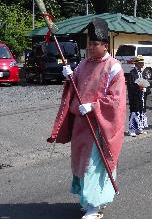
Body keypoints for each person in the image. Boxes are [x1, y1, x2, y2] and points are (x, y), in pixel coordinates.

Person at [48, 18, 126, 219]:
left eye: (95, 44)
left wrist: (93, 106)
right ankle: (88, 200)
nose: (90, 47)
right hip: (82, 124)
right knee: (82, 162)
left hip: (99, 125)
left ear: (105, 45)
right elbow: (76, 86)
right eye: (89, 44)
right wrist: (69, 77)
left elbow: (116, 100)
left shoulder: (114, 67)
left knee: (94, 164)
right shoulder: (83, 64)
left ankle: (94, 205)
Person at [127, 55, 150, 137]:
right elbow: (130, 85)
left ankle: (139, 128)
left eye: (143, 62)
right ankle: (131, 129)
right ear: (137, 63)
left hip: (142, 95)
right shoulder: (132, 73)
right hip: (135, 96)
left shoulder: (143, 73)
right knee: (134, 112)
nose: (142, 64)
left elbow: (146, 82)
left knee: (141, 111)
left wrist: (145, 88)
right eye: (141, 62)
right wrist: (138, 87)